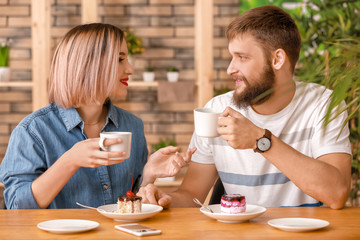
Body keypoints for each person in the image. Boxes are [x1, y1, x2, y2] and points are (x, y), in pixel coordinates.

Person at [138, 5, 352, 210]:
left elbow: (337, 193)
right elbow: (191, 195)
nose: (231, 69)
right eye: (232, 57)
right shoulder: (216, 109)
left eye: (242, 57)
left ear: (277, 59)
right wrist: (163, 199)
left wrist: (261, 140)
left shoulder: (324, 105)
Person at [0, 23, 193, 209]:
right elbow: (16, 206)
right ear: (88, 65)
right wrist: (70, 161)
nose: (130, 69)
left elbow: (131, 203)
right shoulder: (34, 131)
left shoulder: (132, 125)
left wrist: (149, 174)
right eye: (120, 59)